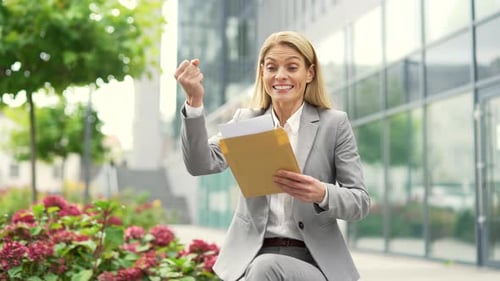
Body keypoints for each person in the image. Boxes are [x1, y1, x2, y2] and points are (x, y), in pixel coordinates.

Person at [174, 31, 370, 281]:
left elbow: (360, 202)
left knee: (266, 267)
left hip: (315, 263)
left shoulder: (334, 124)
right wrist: (194, 100)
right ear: (262, 73)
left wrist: (322, 193)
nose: (280, 76)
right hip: (251, 257)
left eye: (292, 67)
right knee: (261, 267)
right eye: (272, 67)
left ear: (309, 73)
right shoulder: (247, 122)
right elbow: (200, 164)